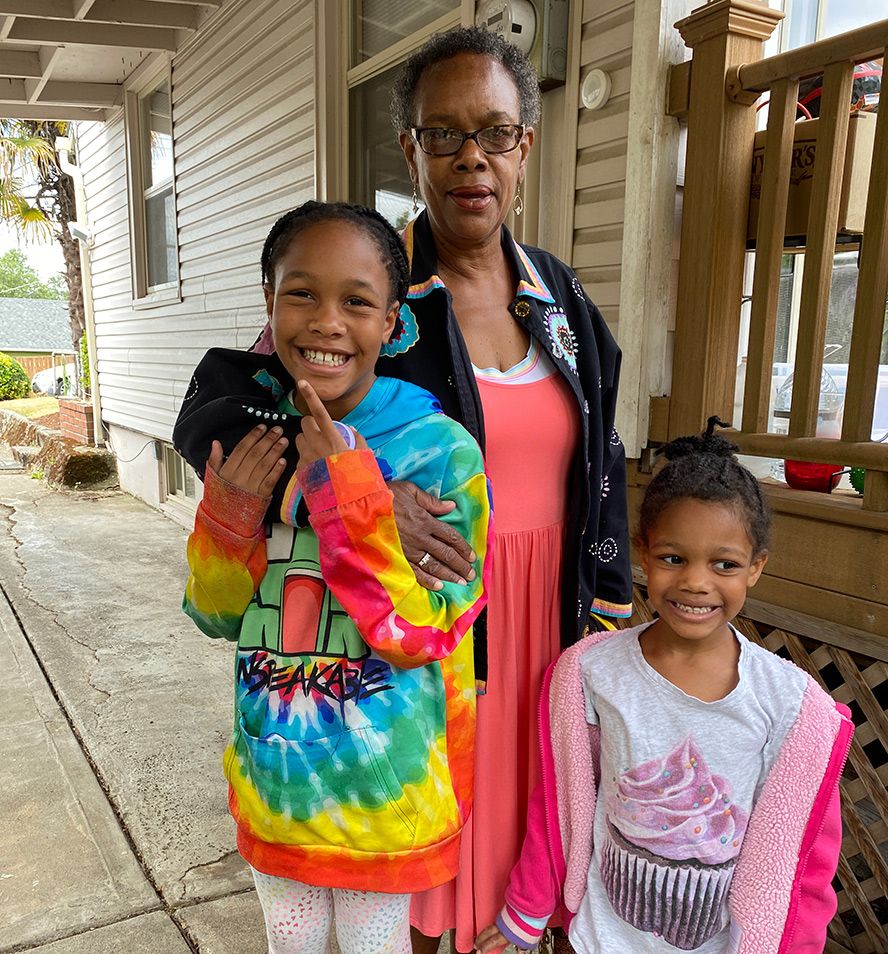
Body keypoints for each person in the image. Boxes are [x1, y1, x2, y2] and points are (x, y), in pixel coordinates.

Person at [177, 201, 492, 954]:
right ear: (269, 301)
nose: (326, 322)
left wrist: (350, 496)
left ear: (391, 321)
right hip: (277, 789)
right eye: (301, 293)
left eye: (356, 301)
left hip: (382, 802)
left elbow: (422, 633)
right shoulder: (253, 436)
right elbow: (215, 614)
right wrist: (229, 518)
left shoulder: (440, 452)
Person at [384, 27, 633, 954]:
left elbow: (603, 461)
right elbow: (234, 416)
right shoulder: (369, 286)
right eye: (443, 134)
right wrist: (361, 499)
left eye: (494, 131)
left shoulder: (560, 299)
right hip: (434, 633)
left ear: (525, 145)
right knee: (429, 868)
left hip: (551, 624)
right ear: (411, 149)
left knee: (543, 846)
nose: (471, 157)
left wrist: (611, 620)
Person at [476, 419, 853, 954]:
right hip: (599, 939)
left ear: (756, 568)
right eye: (673, 559)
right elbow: (560, 806)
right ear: (643, 553)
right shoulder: (593, 672)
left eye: (724, 564)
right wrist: (527, 907)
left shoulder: (789, 705)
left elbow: (804, 856)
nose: (696, 582)